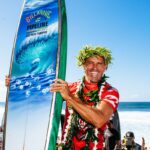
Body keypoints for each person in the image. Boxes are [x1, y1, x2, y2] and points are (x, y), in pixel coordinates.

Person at [50, 45, 119, 149]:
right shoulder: (69, 88)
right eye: (90, 63)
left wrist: (70, 98)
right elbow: (45, 102)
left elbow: (99, 120)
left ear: (105, 66)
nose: (95, 67)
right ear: (83, 65)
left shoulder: (110, 92)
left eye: (99, 63)